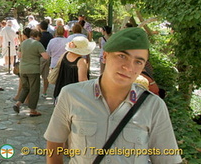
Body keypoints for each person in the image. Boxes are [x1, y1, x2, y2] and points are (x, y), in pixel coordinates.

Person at [44, 27, 182, 164]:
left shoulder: (154, 106)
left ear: (143, 67)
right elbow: (54, 147)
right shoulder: (71, 95)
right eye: (122, 56)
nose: (128, 67)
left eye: (138, 62)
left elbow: (167, 159)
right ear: (105, 56)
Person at [13, 29, 50, 117]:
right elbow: (46, 57)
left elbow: (19, 55)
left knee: (25, 88)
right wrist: (37, 56)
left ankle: (18, 103)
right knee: (34, 89)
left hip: (23, 69)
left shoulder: (24, 43)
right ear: (37, 36)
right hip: (33, 69)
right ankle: (32, 110)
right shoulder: (37, 44)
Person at [52, 36, 95, 100]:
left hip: (60, 91)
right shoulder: (81, 61)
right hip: (74, 96)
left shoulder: (65, 54)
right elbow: (82, 81)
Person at [39, 20, 54, 98]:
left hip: (40, 57)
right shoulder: (51, 36)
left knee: (37, 74)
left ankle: (36, 90)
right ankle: (44, 91)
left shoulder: (39, 36)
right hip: (48, 57)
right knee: (46, 75)